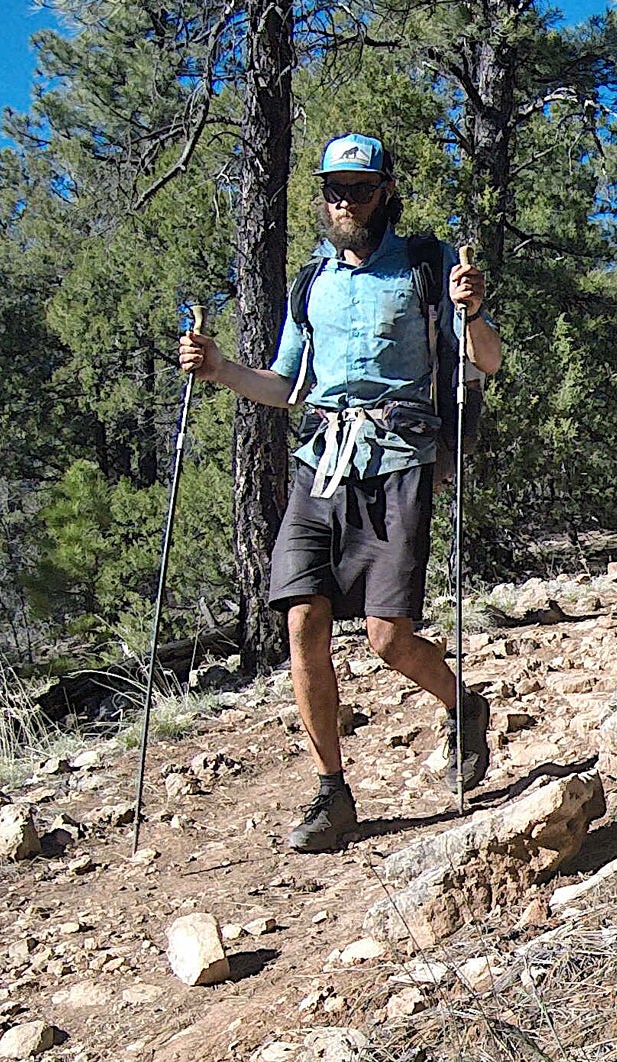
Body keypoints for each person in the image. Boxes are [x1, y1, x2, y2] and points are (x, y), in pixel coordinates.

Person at [178, 133, 504, 853]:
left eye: (359, 188)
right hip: (320, 463)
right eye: (333, 188)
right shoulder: (312, 282)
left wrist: (473, 311)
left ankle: (464, 705)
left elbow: (486, 361)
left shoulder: (430, 267)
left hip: (399, 459)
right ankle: (333, 792)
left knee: (388, 640)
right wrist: (221, 368)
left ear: (386, 189)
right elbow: (286, 386)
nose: (344, 201)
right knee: (302, 623)